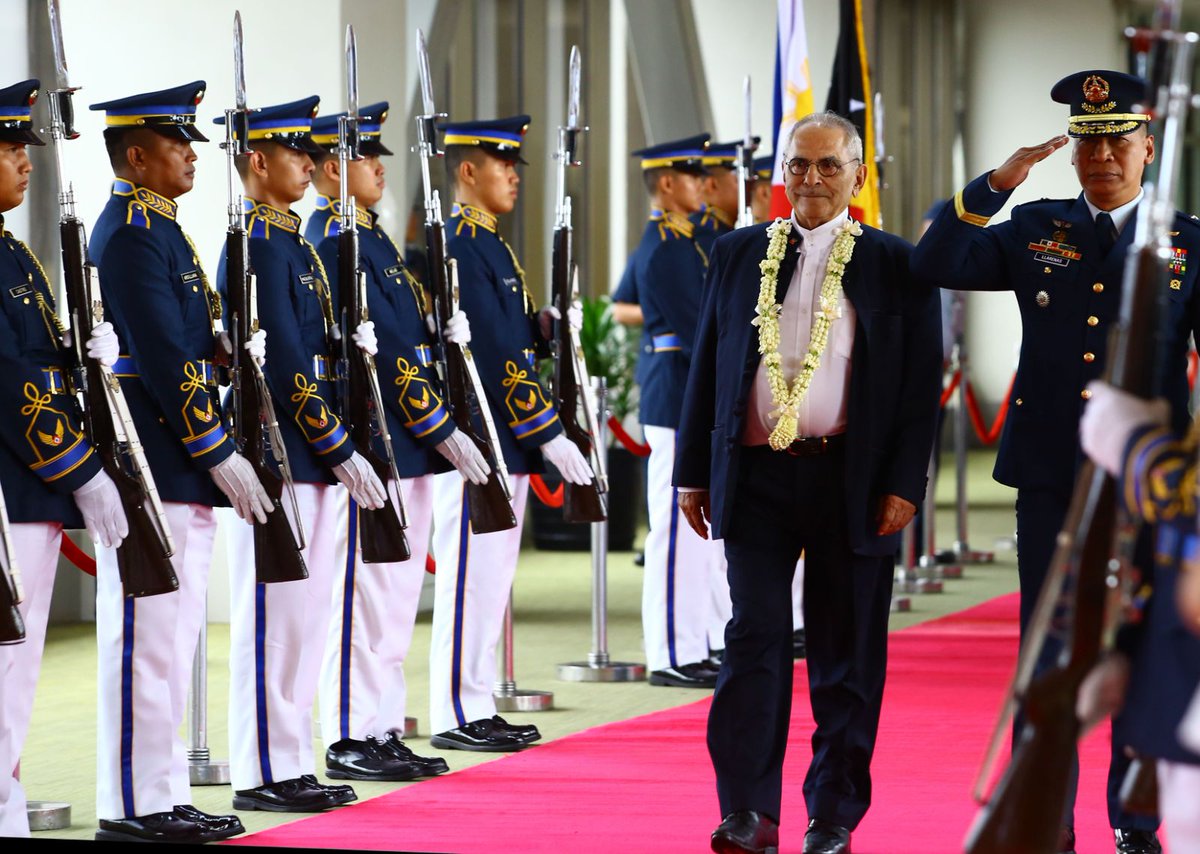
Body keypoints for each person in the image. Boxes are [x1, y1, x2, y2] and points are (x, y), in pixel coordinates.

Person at [910, 69, 1200, 854]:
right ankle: (1044, 819)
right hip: (1050, 474)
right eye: (1086, 141)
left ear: (1147, 147)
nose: (1101, 155)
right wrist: (997, 183)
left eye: (1116, 141)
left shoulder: (1187, 242)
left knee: (1141, 645)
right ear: (1071, 154)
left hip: (1149, 483)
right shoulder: (1034, 226)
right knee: (1051, 649)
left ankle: (1135, 826)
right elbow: (935, 261)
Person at [675, 111, 941, 854]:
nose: (812, 179)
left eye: (829, 165)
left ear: (858, 174)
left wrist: (906, 484)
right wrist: (693, 471)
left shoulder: (896, 263)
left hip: (850, 481)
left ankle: (833, 814)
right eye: (799, 165)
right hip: (756, 476)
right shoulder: (735, 253)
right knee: (753, 638)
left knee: (846, 651)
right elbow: (709, 367)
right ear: (779, 173)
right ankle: (749, 812)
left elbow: (921, 391)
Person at [88, 81, 263, 843]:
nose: (191, 154)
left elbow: (186, 341)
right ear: (137, 156)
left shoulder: (165, 231)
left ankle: (159, 792)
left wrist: (222, 350)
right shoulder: (129, 232)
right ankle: (133, 804)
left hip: (178, 457)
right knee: (146, 637)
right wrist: (214, 445)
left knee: (174, 633)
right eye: (176, 143)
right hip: (155, 455)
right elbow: (159, 354)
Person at [212, 97, 386, 812]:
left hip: (310, 452)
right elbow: (282, 359)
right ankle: (262, 769)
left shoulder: (297, 243)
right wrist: (334, 441)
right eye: (293, 152)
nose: (310, 164)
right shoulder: (250, 241)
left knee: (305, 616)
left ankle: (290, 757)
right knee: (272, 620)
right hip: (278, 444)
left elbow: (318, 349)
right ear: (257, 162)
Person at [306, 102, 489, 780]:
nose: (380, 166)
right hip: (375, 439)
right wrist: (437, 424)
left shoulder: (374, 240)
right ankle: (350, 731)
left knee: (393, 602)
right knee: (362, 597)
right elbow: (375, 358)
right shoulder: (333, 240)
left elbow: (407, 339)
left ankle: (381, 725)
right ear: (331, 168)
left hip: (407, 442)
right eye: (365, 156)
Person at [429, 115, 592, 751]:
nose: (514, 177)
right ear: (468, 171)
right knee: (470, 575)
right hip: (483, 435)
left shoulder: (492, 245)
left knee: (492, 578)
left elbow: (510, 337)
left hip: (507, 438)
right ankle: (454, 708)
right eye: (502, 165)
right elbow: (491, 353)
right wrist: (545, 429)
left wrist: (543, 326)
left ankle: (475, 697)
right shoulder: (460, 244)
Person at [0, 79, 127, 838]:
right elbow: (11, 382)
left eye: (24, 149)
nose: (25, 163)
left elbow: (39, 362)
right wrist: (81, 470)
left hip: (30, 492)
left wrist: (86, 359)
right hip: (14, 491)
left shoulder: (13, 253)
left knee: (16, 680)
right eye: (11, 149)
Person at [617, 134, 725, 689]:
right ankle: (669, 652)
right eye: (689, 176)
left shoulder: (690, 242)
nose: (699, 184)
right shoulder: (663, 247)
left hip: (689, 392)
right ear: (666, 183)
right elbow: (698, 326)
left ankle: (700, 639)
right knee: (673, 528)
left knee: (699, 533)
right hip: (674, 393)